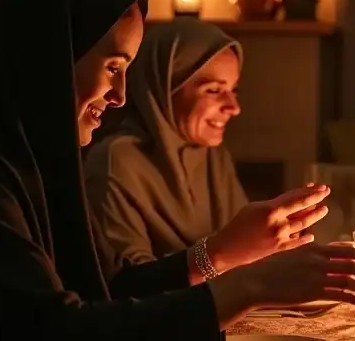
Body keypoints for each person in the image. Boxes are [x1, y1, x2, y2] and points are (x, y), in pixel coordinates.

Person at [0, 0, 355, 341]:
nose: (121, 95)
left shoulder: (37, 162)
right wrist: (246, 286)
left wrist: (224, 254)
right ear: (45, 56)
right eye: (113, 66)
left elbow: (112, 293)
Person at [84, 19, 280, 294]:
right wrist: (219, 255)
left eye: (233, 90)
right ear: (164, 88)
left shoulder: (213, 157)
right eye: (213, 90)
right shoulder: (115, 162)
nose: (233, 107)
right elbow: (126, 286)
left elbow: (247, 256)